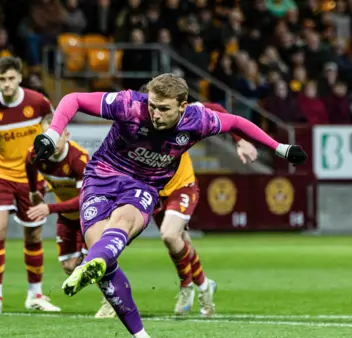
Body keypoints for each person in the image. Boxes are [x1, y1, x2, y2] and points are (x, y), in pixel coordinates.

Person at [32, 73, 307, 338]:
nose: (155, 113)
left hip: (144, 185)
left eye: (164, 109)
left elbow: (237, 122)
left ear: (182, 106)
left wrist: (280, 148)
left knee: (122, 225)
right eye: (153, 106)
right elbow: (73, 100)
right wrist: (52, 133)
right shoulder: (128, 105)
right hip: (101, 177)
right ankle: (141, 337)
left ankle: (95, 264)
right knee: (103, 253)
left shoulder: (197, 120)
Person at [94, 100, 259, 320]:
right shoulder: (132, 127)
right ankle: (204, 286)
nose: (154, 115)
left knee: (170, 235)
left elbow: (217, 109)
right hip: (151, 191)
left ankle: (186, 286)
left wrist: (239, 140)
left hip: (182, 186)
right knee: (181, 243)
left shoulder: (182, 114)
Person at [0, 56, 60, 314]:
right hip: (0, 175)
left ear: (19, 77)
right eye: (1, 79)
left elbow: (52, 133)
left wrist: (49, 173)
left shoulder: (38, 102)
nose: (6, 84)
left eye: (11, 78)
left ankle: (35, 294)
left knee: (34, 234)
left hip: (31, 179)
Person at [25, 131, 89, 276]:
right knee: (69, 267)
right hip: (67, 216)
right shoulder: (36, 154)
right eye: (50, 138)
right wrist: (34, 190)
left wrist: (49, 208)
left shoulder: (78, 159)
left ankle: (111, 295)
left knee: (91, 263)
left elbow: (85, 200)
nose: (54, 142)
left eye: (57, 136)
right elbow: (29, 164)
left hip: (90, 216)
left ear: (66, 135)